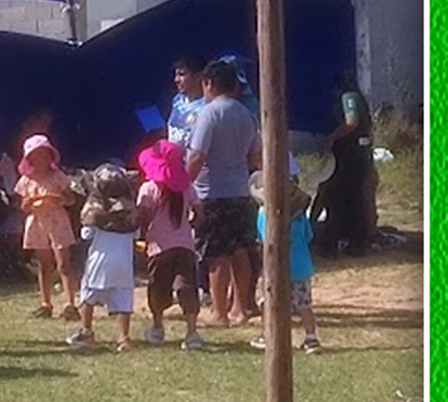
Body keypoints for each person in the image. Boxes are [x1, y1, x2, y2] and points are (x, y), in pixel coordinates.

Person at [185, 58, 262, 328]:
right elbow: (255, 156)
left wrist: (183, 186)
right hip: (241, 191)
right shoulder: (247, 114)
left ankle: (219, 313)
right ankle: (241, 307)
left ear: (209, 83)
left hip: (212, 193)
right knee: (241, 250)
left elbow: (196, 156)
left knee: (216, 254)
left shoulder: (209, 114)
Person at [136, 138, 203, 351]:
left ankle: (157, 327)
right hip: (185, 245)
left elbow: (142, 217)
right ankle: (192, 332)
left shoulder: (148, 189)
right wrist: (189, 225)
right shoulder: (187, 188)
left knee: (157, 286)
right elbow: (199, 214)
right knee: (186, 286)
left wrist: (143, 235)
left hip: (158, 247)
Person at [251, 159, 323, 353]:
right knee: (303, 304)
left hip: (276, 267)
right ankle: (311, 337)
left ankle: (268, 335)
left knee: (268, 302)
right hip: (301, 267)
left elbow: (263, 239)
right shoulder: (300, 216)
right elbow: (308, 236)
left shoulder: (264, 213)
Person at [69, 164, 139, 350]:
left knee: (88, 294)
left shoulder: (95, 210)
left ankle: (86, 332)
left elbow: (86, 234)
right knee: (123, 297)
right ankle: (124, 338)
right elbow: (136, 234)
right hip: (124, 262)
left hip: (100, 259)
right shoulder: (130, 210)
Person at [14, 134, 77, 323]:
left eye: (44, 154)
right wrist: (29, 202)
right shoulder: (26, 180)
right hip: (37, 221)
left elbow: (71, 199)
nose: (41, 159)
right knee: (43, 264)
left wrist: (60, 199)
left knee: (63, 263)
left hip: (57, 219)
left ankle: (70, 303)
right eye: (37, 155)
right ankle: (46, 302)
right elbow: (22, 206)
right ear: (30, 159)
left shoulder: (58, 177)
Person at [316, 70, 375, 258]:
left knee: (337, 198)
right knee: (355, 198)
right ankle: (357, 243)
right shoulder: (359, 97)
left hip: (350, 154)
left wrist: (333, 137)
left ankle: (331, 245)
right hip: (361, 153)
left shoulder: (348, 97)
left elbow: (351, 122)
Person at [166, 56, 208, 151]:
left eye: (181, 74)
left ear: (198, 76)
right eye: (176, 75)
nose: (176, 80)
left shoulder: (207, 106)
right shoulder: (177, 100)